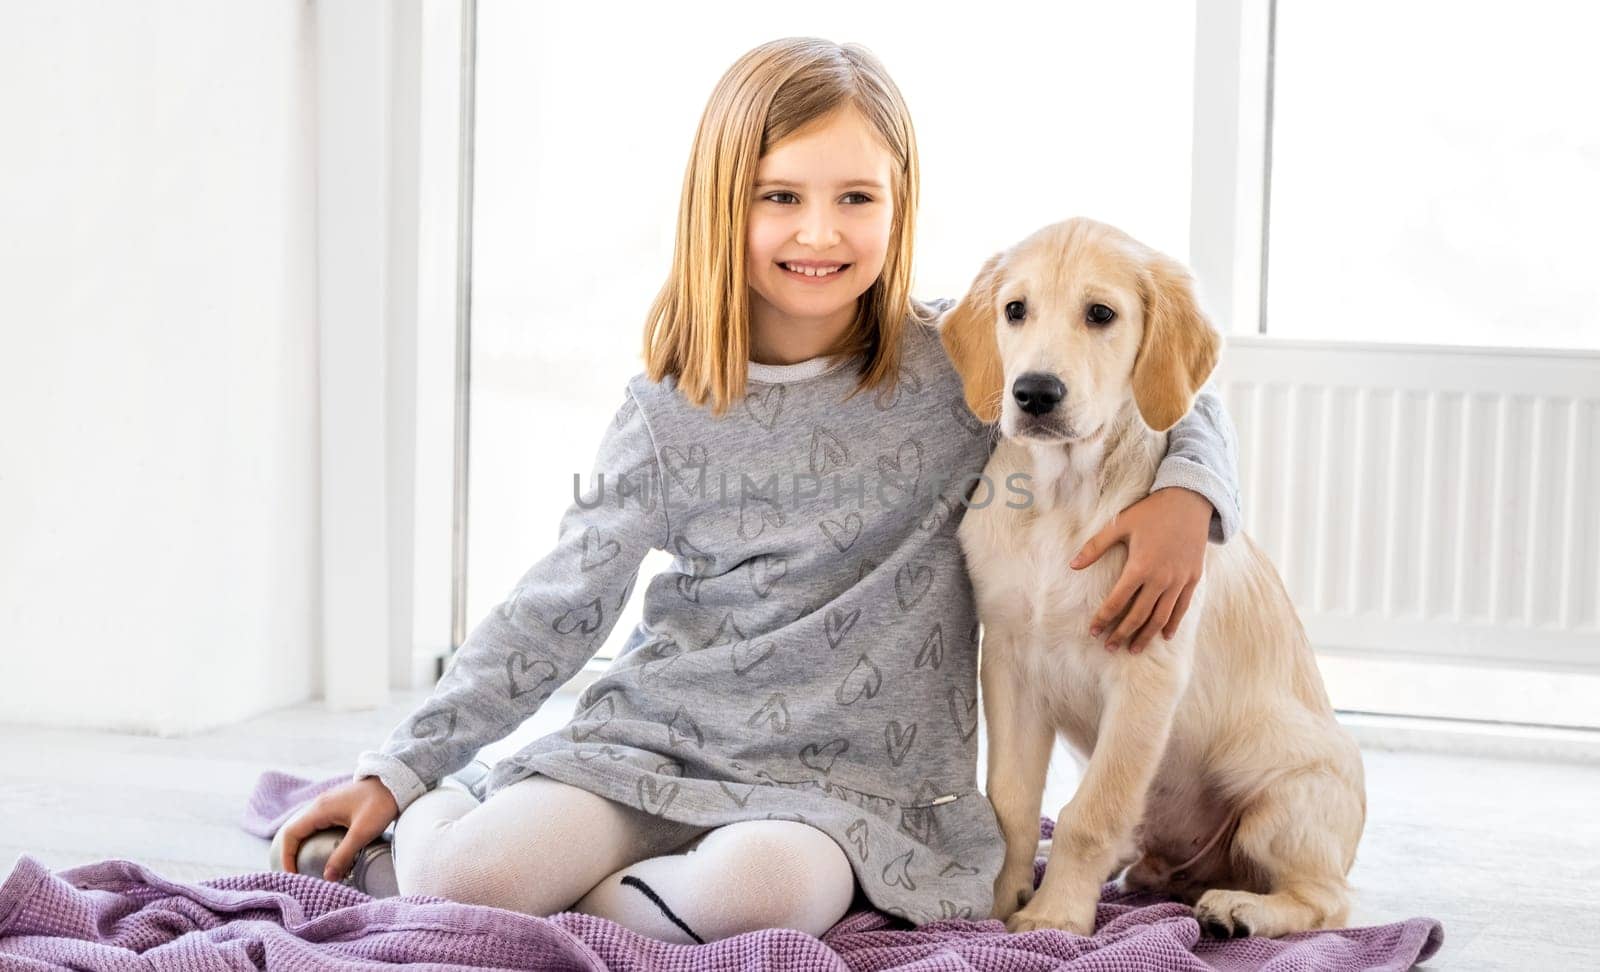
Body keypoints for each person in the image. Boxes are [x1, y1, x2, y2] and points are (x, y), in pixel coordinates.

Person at [270, 36, 1242, 944]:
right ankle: (449, 821)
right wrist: (399, 768)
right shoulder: (665, 411)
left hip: (849, 788)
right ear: (720, 203)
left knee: (762, 898)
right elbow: (558, 604)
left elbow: (1146, 369)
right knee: (473, 879)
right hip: (655, 742)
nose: (819, 230)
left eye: (856, 198)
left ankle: (608, 896)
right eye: (779, 196)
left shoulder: (958, 365)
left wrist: (1189, 496)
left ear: (900, 206)